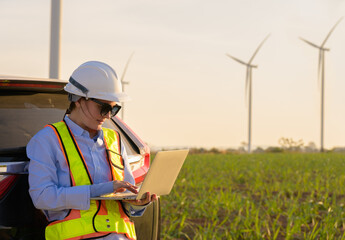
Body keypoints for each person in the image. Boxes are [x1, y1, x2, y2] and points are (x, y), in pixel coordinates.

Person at [27, 61, 156, 240]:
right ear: (79, 100)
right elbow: (42, 197)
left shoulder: (115, 140)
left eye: (114, 109)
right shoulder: (47, 140)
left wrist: (138, 204)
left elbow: (126, 203)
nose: (108, 115)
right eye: (103, 108)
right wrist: (101, 189)